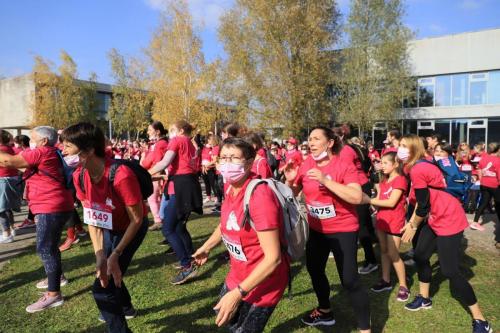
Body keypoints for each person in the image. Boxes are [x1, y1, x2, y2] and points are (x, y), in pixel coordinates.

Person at [398, 134, 493, 333]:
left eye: (404, 146)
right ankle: (424, 299)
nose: (400, 149)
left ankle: (481, 320)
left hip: (449, 218)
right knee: (421, 255)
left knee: (450, 271)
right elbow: (421, 201)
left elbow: (422, 206)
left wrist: (413, 225)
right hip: (434, 218)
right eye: (399, 145)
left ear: (415, 148)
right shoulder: (413, 167)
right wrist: (412, 221)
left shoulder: (418, 168)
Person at [193, 138, 289, 332]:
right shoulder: (230, 187)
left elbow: (273, 259)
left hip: (263, 283)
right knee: (227, 321)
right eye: (224, 157)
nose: (227, 163)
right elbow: (227, 224)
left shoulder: (259, 196)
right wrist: (207, 247)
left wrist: (238, 294)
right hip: (237, 274)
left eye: (234, 158)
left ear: (249, 162)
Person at [61, 122, 149, 332]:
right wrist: (100, 254)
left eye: (67, 146)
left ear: (89, 150)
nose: (62, 151)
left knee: (101, 287)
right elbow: (92, 219)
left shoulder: (121, 176)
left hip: (132, 228)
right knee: (106, 268)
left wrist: (116, 253)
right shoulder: (79, 176)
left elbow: (136, 219)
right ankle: (126, 307)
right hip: (108, 226)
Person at [284, 127, 371, 332]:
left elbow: (357, 197)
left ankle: (365, 329)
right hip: (317, 229)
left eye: (316, 139)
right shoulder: (306, 164)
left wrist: (325, 180)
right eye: (309, 139)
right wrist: (290, 180)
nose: (311, 143)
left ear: (330, 143)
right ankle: (325, 311)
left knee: (349, 280)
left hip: (343, 229)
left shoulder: (343, 164)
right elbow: (293, 193)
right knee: (314, 269)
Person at [0, 126, 74, 312]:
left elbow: (9, 161)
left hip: (50, 206)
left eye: (33, 139)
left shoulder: (42, 152)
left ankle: (53, 294)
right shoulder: (50, 152)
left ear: (44, 141)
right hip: (55, 204)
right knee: (50, 246)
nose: (30, 142)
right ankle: (58, 278)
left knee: (45, 248)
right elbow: (18, 163)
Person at [149, 120, 202, 285]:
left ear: (179, 130)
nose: (169, 133)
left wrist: (144, 173)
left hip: (181, 186)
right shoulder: (191, 143)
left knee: (168, 228)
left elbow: (165, 162)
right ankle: (189, 257)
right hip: (187, 185)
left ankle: (187, 265)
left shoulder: (178, 140)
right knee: (179, 226)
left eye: (171, 130)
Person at [361, 152, 409, 301]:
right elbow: (380, 198)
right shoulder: (384, 181)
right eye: (381, 163)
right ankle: (385, 280)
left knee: (394, 254)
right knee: (383, 251)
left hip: (394, 221)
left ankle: (403, 286)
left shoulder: (400, 180)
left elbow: (391, 202)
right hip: (382, 220)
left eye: (385, 163)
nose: (382, 166)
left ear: (395, 164)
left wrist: (369, 200)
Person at [337, 129, 378, 275]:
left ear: (340, 136)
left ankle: (371, 260)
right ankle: (374, 253)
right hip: (360, 185)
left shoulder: (346, 150)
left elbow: (345, 171)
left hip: (358, 187)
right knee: (364, 223)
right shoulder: (349, 148)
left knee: (360, 226)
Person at [142, 121, 169, 231]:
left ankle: (158, 220)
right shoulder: (161, 143)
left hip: (156, 175)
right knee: (158, 198)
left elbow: (159, 162)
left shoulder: (160, 144)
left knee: (152, 198)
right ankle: (161, 218)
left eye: (150, 130)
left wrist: (157, 177)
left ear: (157, 132)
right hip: (157, 174)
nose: (148, 132)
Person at [471, 142, 500, 234]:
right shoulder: (498, 160)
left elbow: (479, 169)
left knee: (483, 203)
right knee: (498, 203)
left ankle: (475, 222)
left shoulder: (484, 158)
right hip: (495, 185)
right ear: (498, 150)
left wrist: (481, 180)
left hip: (484, 184)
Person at [0, 130, 22, 243]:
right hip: (8, 179)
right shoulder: (7, 148)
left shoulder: (2, 149)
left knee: (2, 209)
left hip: (4, 180)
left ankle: (6, 234)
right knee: (6, 208)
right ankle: (11, 229)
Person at [201, 134, 219, 204]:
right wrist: (203, 166)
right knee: (206, 183)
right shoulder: (205, 148)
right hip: (204, 167)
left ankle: (216, 197)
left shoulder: (215, 148)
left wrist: (207, 165)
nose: (208, 141)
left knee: (213, 183)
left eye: (209, 139)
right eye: (207, 140)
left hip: (211, 168)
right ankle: (208, 197)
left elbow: (215, 160)